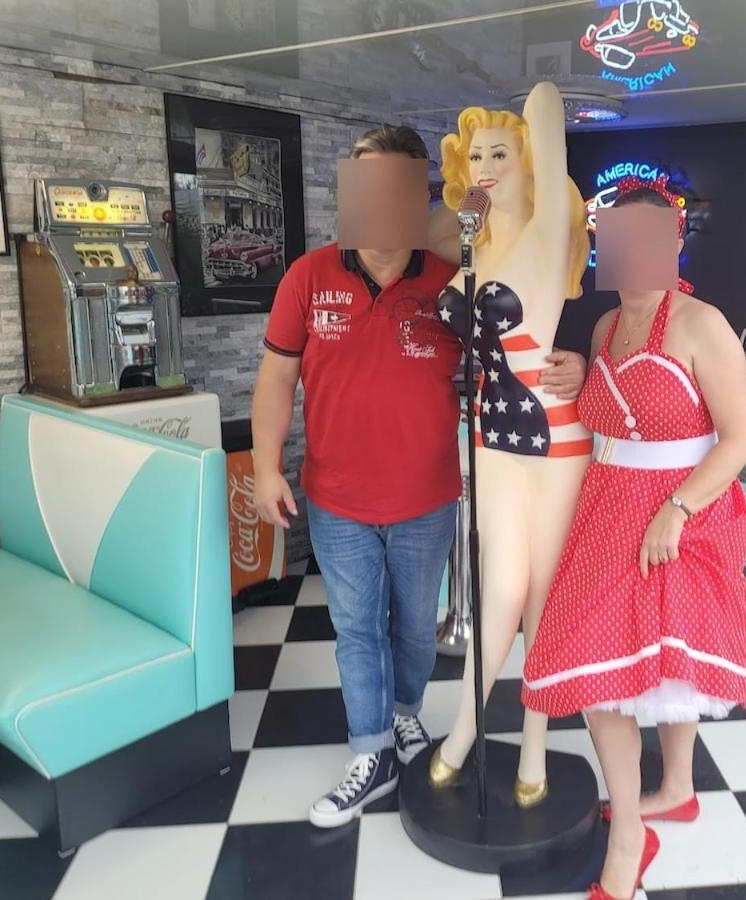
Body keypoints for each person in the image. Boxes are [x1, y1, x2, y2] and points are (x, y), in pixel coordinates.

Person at [251, 123, 587, 828]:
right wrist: (263, 464)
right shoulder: (308, 276)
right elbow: (277, 375)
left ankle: (405, 713)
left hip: (429, 498)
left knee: (413, 631)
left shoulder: (448, 277)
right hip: (337, 498)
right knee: (356, 630)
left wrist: (576, 363)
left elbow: (521, 330)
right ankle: (369, 751)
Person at [521, 178, 746, 899]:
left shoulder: (702, 325)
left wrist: (677, 511)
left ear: (674, 244)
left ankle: (643, 822)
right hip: (607, 511)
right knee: (606, 664)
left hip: (680, 516)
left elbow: (739, 439)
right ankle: (655, 804)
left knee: (657, 662)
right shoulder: (602, 328)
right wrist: (582, 372)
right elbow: (616, 412)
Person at [429, 80, 592, 807]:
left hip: (554, 434)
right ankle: (466, 731)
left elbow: (547, 108)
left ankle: (534, 741)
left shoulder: (546, 231)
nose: (485, 166)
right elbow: (435, 240)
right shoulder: (475, 242)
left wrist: (534, 87)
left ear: (528, 161)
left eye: (500, 153)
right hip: (489, 433)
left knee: (543, 594)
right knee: (500, 585)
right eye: (475, 155)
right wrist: (467, 210)